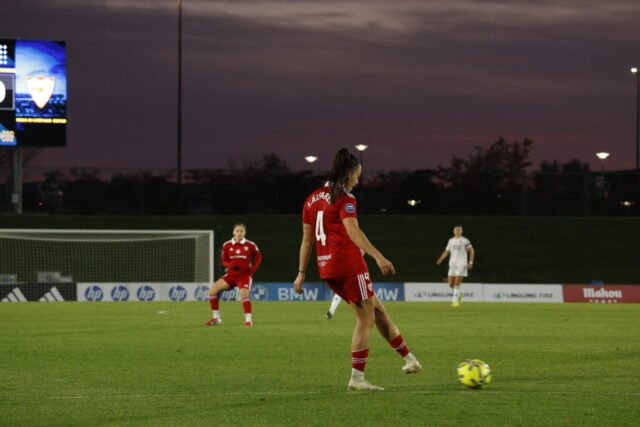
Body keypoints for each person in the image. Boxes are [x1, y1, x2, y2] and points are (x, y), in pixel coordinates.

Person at [294, 147, 421, 391]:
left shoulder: (311, 199)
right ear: (348, 173)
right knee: (365, 320)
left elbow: (307, 240)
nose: (358, 181)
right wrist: (378, 256)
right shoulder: (344, 198)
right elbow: (353, 231)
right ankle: (357, 379)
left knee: (378, 311)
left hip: (327, 268)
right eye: (357, 176)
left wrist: (301, 273)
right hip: (349, 265)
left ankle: (410, 360)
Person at [205, 223, 262, 326]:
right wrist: (230, 265)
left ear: (245, 233)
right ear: (233, 232)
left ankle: (248, 320)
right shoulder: (227, 245)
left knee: (243, 294)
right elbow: (224, 261)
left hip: (244, 275)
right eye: (237, 231)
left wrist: (253, 269)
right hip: (231, 275)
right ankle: (216, 318)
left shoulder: (250, 244)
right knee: (212, 291)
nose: (239, 233)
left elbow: (259, 256)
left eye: (241, 231)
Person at [436, 225, 474, 307]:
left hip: (462, 263)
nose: (457, 231)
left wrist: (470, 262)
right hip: (452, 264)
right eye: (456, 230)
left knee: (457, 282)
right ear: (453, 231)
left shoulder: (465, 240)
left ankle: (454, 301)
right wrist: (440, 259)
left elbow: (471, 251)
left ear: (461, 231)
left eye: (459, 230)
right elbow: (447, 251)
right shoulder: (451, 241)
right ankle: (459, 295)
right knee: (450, 284)